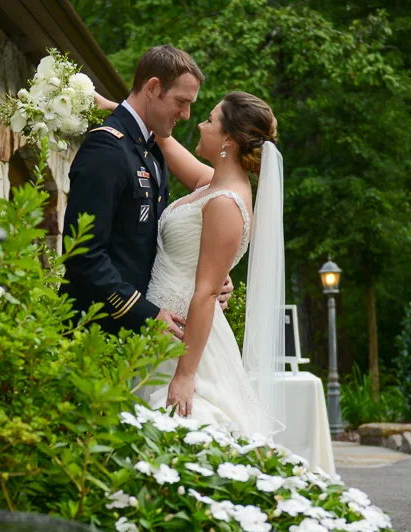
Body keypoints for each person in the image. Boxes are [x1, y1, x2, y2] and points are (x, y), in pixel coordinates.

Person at [97, 90, 289, 442]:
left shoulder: (226, 202)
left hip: (184, 338)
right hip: (160, 325)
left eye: (210, 119)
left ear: (228, 139)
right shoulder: (212, 184)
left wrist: (186, 374)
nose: (199, 124)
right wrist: (115, 109)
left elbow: (205, 293)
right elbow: (165, 144)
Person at [60, 46, 233, 340]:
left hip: (132, 336)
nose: (187, 114)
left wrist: (204, 275)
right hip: (95, 333)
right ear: (153, 87)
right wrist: (144, 313)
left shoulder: (149, 150)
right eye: (181, 101)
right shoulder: (107, 149)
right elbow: (82, 255)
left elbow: (147, 244)